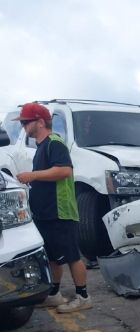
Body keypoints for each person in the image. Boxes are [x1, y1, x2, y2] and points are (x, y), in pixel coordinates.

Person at [13, 102, 91, 312]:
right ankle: (54, 293)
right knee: (53, 256)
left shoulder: (54, 144)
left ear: (39, 122)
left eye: (25, 122)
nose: (23, 126)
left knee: (72, 255)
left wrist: (33, 175)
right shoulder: (42, 146)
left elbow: (64, 170)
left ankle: (83, 296)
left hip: (60, 212)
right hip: (47, 212)